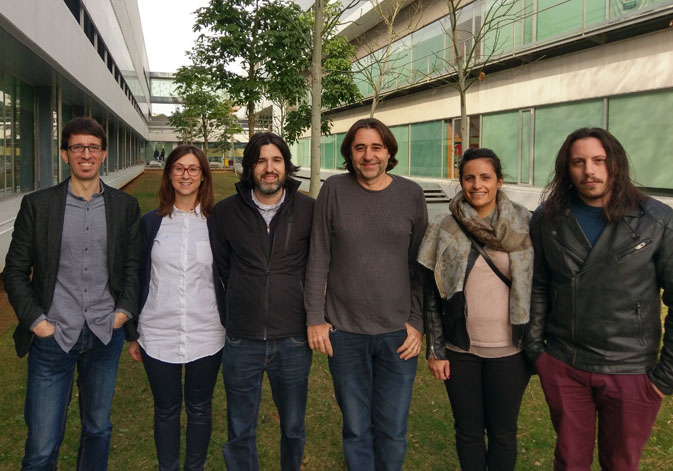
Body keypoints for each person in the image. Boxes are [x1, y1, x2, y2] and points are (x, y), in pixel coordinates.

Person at [525, 127, 673, 470]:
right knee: (569, 461)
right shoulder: (548, 219)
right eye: (578, 162)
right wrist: (537, 351)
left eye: (598, 160)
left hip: (630, 368)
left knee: (620, 463)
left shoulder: (657, 220)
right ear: (567, 168)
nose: (589, 171)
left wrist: (663, 378)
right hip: (565, 363)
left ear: (615, 164)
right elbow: (540, 285)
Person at [3, 117, 141, 470]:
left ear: (104, 154)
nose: (85, 154)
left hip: (103, 337)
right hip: (52, 339)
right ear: (65, 155)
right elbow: (15, 273)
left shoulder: (124, 208)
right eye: (77, 147)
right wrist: (37, 322)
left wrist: (123, 312)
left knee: (98, 429)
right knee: (41, 447)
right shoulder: (38, 206)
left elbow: (132, 267)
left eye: (93, 147)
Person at [304, 117, 428, 471]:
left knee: (392, 430)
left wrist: (417, 322)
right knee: (357, 429)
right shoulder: (334, 191)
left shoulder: (410, 194)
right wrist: (316, 317)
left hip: (397, 335)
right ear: (350, 154)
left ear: (389, 152)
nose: (368, 155)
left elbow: (420, 266)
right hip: (344, 334)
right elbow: (318, 257)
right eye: (360, 147)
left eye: (376, 147)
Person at [418, 148, 533, 471]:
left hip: (511, 351)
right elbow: (432, 294)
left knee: (503, 433)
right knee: (467, 432)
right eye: (469, 178)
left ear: (499, 181)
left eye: (485, 177)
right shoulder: (444, 226)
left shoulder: (527, 223)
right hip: (460, 349)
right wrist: (435, 349)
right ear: (461, 181)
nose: (477, 185)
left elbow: (541, 288)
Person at [210, 132, 314, 471]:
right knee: (240, 429)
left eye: (276, 160)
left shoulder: (309, 209)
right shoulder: (225, 213)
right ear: (250, 167)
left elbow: (318, 265)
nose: (269, 168)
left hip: (294, 338)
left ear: (286, 164)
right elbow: (222, 266)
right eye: (261, 160)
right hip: (242, 338)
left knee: (294, 428)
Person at [126, 145, 225, 471]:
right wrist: (132, 333)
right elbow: (136, 278)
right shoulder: (150, 224)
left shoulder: (217, 224)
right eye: (179, 168)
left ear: (202, 176)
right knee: (166, 409)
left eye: (193, 169)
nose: (186, 175)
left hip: (207, 333)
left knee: (200, 408)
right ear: (169, 174)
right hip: (158, 332)